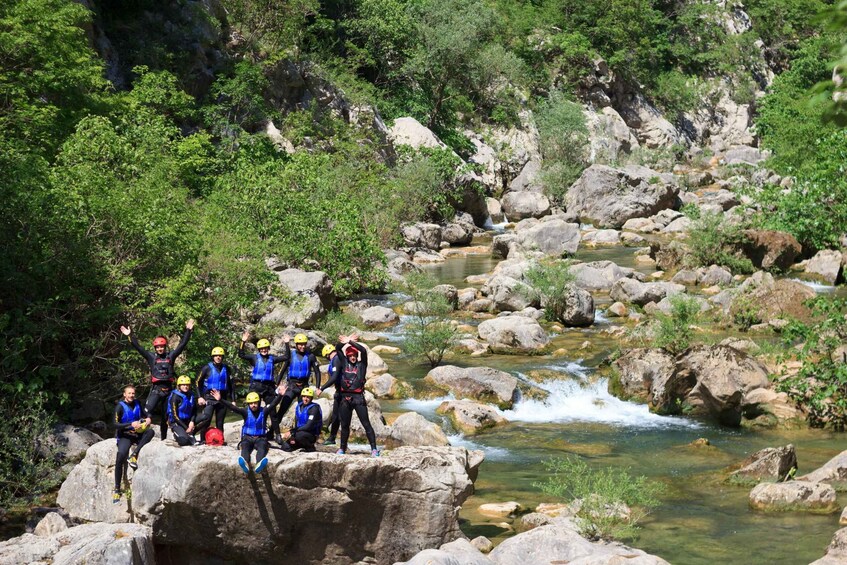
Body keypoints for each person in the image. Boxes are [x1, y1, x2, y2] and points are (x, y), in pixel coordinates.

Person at [120, 319, 195, 440]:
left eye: (162, 347)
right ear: (155, 348)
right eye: (158, 347)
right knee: (145, 412)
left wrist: (188, 331)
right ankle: (134, 435)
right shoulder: (151, 357)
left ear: (165, 347)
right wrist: (130, 336)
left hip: (168, 392)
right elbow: (139, 348)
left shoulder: (170, 356)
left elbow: (182, 345)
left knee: (165, 417)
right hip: (156, 390)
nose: (160, 349)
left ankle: (163, 439)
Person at [212, 389, 281, 474]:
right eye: (251, 403)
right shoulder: (245, 412)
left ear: (258, 403)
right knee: (245, 447)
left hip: (261, 438)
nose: (253, 405)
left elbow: (274, 404)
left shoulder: (264, 411)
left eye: (255, 403)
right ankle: (245, 463)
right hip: (247, 437)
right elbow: (232, 407)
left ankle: (259, 463)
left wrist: (280, 395)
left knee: (262, 447)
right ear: (248, 404)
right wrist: (220, 399)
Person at [331, 335, 379, 457]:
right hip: (345, 399)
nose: (352, 357)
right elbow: (337, 348)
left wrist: (350, 342)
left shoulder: (362, 365)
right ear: (347, 356)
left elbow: (363, 351)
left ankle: (374, 449)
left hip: (358, 399)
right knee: (345, 425)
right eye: (350, 356)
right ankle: (342, 448)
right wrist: (344, 343)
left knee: (366, 423)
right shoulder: (343, 363)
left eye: (354, 356)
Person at [237, 332, 283, 441]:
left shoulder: (273, 358)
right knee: (251, 410)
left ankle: (277, 435)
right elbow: (241, 354)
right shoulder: (254, 358)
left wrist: (286, 343)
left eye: (265, 348)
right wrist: (243, 341)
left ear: (268, 348)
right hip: (256, 386)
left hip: (269, 387)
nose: (264, 350)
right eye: (262, 348)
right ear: (259, 349)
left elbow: (286, 357)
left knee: (272, 412)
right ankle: (246, 433)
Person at [113, 385, 154, 503]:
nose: (131, 395)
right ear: (124, 394)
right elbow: (115, 424)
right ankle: (117, 489)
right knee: (120, 455)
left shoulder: (138, 403)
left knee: (150, 432)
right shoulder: (119, 407)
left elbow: (147, 414)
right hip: (125, 435)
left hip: (137, 434)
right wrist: (131, 424)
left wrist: (148, 419)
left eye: (133, 393)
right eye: (129, 393)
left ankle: (134, 455)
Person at [275, 333, 321, 434]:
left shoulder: (311, 356)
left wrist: (318, 387)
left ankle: (298, 433)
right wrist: (277, 384)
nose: (302, 346)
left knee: (302, 412)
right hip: (291, 385)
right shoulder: (291, 355)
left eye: (304, 344)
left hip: (304, 386)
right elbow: (282, 370)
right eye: (300, 344)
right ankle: (273, 432)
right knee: (283, 408)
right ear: (296, 344)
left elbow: (317, 372)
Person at [196, 346, 234, 434]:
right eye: (216, 355)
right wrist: (200, 397)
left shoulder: (227, 368)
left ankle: (220, 439)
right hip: (209, 397)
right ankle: (202, 440)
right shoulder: (206, 368)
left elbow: (231, 385)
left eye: (220, 356)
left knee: (220, 422)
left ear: (222, 357)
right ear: (213, 357)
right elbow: (197, 382)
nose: (218, 357)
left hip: (222, 398)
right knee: (206, 419)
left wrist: (233, 400)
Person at [281, 386, 322, 452]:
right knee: (285, 447)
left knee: (299, 436)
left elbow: (308, 426)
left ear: (311, 398)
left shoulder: (314, 409)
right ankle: (300, 445)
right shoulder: (299, 406)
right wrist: (293, 436)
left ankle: (310, 447)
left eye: (308, 397)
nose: (305, 399)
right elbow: (297, 423)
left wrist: (292, 432)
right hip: (299, 432)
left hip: (311, 434)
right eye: (304, 397)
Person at [167, 375, 205, 446]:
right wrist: (186, 428)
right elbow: (175, 416)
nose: (185, 387)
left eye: (187, 385)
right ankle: (181, 434)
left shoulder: (191, 395)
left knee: (206, 417)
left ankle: (192, 433)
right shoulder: (175, 397)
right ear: (179, 386)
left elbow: (194, 410)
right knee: (183, 441)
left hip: (188, 421)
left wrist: (192, 421)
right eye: (183, 385)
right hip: (177, 423)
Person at [317, 343, 343, 445]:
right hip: (339, 391)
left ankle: (335, 439)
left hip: (344, 392)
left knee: (340, 417)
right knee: (336, 416)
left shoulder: (336, 359)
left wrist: (322, 388)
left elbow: (335, 377)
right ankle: (332, 438)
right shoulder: (335, 360)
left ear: (328, 354)